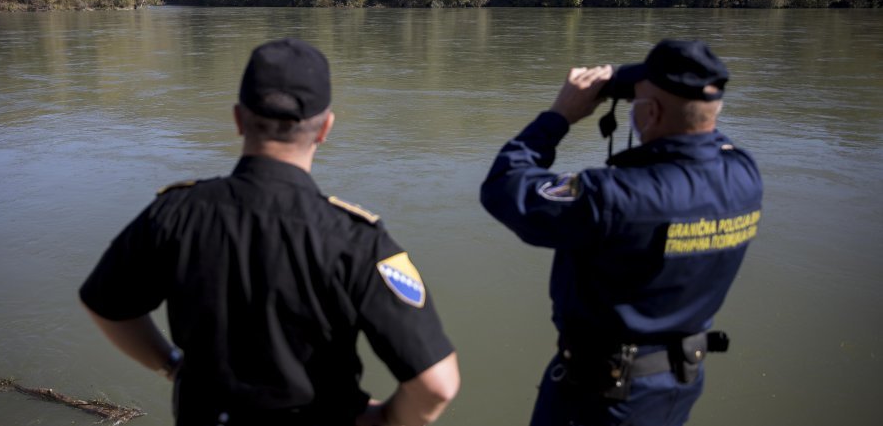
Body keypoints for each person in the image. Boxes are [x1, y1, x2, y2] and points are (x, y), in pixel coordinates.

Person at [80, 38, 459, 426]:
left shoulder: (175, 214)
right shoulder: (358, 242)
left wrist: (173, 366)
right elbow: (437, 386)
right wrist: (384, 421)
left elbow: (104, 304)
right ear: (325, 128)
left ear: (239, 119)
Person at [479, 39, 762, 426]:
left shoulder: (615, 197)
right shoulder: (745, 176)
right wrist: (629, 82)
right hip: (675, 388)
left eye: (636, 102)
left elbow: (504, 187)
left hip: (599, 399)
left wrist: (559, 115)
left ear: (652, 112)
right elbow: (697, 128)